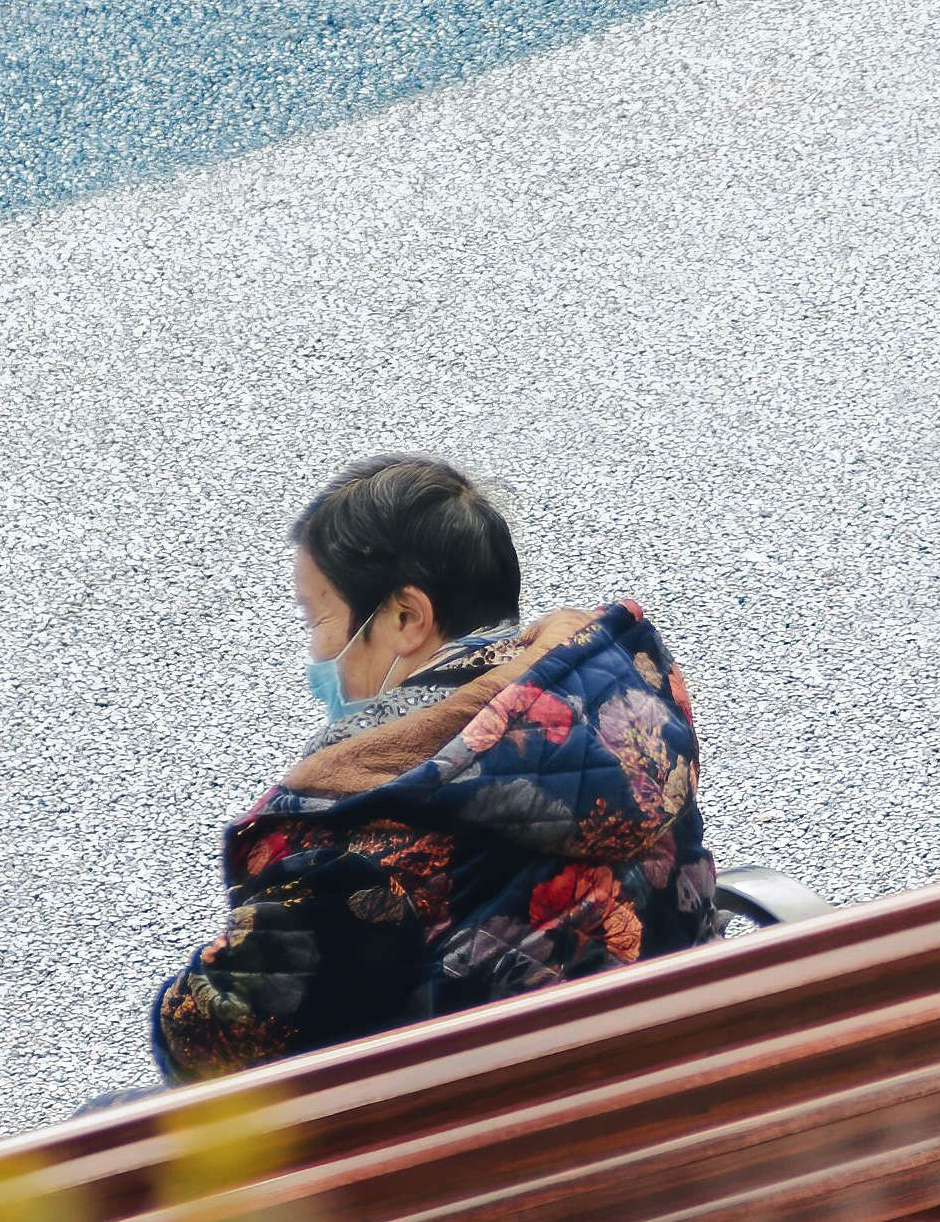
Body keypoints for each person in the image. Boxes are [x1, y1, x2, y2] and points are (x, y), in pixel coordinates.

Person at [149, 454, 720, 1089]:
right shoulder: (625, 728)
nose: (314, 653)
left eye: (319, 619)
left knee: (108, 1126)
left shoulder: (361, 833)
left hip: (491, 1158)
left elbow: (207, 1038)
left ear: (405, 618)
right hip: (688, 1094)